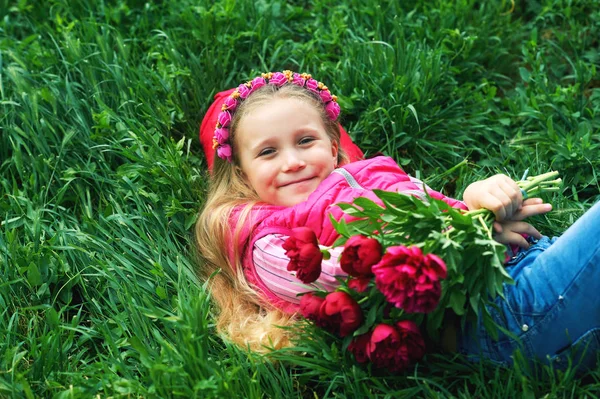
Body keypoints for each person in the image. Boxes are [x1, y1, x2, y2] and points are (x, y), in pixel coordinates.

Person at [196, 70, 600, 371]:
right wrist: (478, 231)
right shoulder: (266, 241)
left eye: (306, 141)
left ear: (334, 148)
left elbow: (440, 212)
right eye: (268, 152)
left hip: (527, 269)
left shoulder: (371, 178)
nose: (293, 161)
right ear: (242, 174)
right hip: (507, 316)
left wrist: (480, 202)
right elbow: (378, 281)